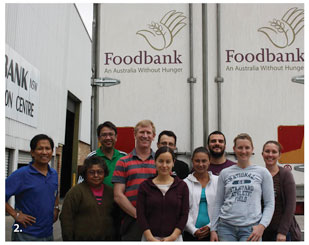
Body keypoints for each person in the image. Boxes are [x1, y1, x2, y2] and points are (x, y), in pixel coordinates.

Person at [210, 133, 274, 241]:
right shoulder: (225, 173)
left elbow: (270, 203)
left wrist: (262, 226)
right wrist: (213, 229)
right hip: (226, 228)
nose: (243, 151)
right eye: (240, 147)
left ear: (252, 149)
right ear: (234, 149)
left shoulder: (263, 172)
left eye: (247, 148)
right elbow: (218, 203)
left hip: (251, 229)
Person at [5, 134, 59, 241]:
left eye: (47, 148)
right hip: (25, 234)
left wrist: (56, 208)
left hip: (48, 234)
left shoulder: (53, 173)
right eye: (40, 148)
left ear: (52, 152)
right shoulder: (22, 174)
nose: (44, 152)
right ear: (32, 152)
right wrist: (15, 214)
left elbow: (55, 191)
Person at [112, 119, 157, 241]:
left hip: (156, 221)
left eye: (148, 133)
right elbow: (118, 195)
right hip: (131, 221)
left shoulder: (160, 162)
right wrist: (138, 214)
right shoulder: (123, 162)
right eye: (142, 132)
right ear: (135, 134)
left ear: (153, 136)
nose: (145, 136)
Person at [137, 146, 189, 241]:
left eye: (168, 161)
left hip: (174, 239)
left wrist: (173, 237)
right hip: (149, 239)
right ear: (155, 162)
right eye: (160, 161)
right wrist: (150, 238)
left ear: (173, 163)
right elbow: (141, 214)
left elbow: (184, 214)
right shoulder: (145, 186)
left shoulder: (182, 186)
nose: (164, 165)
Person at [59, 156, 116, 240]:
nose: (96, 175)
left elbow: (117, 218)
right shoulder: (75, 192)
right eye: (91, 172)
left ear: (105, 173)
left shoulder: (111, 192)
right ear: (85, 173)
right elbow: (66, 219)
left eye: (99, 172)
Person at [261, 140, 301, 241]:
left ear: (279, 155)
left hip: (281, 233)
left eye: (274, 152)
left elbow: (290, 206)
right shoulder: (259, 175)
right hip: (262, 231)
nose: (270, 154)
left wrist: (282, 232)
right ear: (262, 154)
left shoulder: (285, 175)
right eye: (267, 151)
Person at [183, 147, 218, 241]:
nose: (200, 164)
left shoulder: (218, 181)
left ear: (209, 161)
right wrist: (193, 230)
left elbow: (222, 207)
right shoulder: (184, 183)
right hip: (190, 234)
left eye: (204, 161)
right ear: (192, 161)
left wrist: (210, 227)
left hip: (214, 232)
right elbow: (183, 210)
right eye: (197, 161)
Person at [78, 121, 127, 187]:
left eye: (111, 134)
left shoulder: (124, 157)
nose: (108, 138)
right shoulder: (92, 157)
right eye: (104, 135)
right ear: (99, 138)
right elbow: (81, 182)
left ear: (116, 137)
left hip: (120, 197)